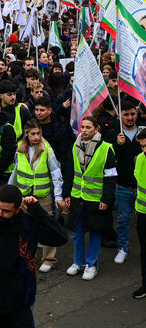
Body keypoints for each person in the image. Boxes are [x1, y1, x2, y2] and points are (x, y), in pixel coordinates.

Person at [0, 185, 67, 328]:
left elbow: (60, 237)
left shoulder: (28, 224)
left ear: (18, 209)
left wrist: (37, 210)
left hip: (17, 305)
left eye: (6, 211)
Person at [63, 116, 117, 280]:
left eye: (88, 127)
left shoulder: (106, 148)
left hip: (96, 199)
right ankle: (77, 262)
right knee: (77, 232)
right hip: (77, 196)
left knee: (95, 232)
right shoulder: (75, 145)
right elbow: (70, 172)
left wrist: (107, 199)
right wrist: (67, 194)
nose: (84, 130)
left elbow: (110, 177)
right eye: (83, 127)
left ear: (96, 129)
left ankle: (92, 264)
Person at [9, 120, 64, 273]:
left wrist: (58, 195)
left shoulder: (46, 149)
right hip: (24, 193)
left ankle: (49, 259)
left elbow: (55, 172)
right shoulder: (20, 149)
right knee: (24, 226)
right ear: (26, 134)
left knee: (47, 224)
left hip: (42, 194)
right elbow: (16, 171)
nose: (36, 136)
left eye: (38, 133)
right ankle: (26, 256)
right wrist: (9, 189)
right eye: (33, 133)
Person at [105, 100, 143, 264]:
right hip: (122, 186)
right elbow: (107, 158)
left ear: (137, 114)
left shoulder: (143, 131)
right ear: (120, 115)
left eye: (132, 114)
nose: (129, 117)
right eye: (126, 114)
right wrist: (117, 144)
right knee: (122, 219)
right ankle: (123, 248)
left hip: (143, 187)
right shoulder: (113, 133)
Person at [132, 128, 146, 298]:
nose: (144, 150)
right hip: (142, 212)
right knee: (144, 252)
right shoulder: (139, 159)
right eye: (142, 146)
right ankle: (145, 284)